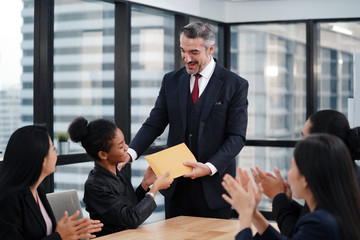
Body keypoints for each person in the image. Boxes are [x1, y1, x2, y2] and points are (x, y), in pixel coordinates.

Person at [126, 21, 249, 219]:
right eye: (183, 51)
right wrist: (130, 153)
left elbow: (236, 137)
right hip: (176, 188)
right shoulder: (171, 81)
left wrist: (209, 167)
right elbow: (154, 123)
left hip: (214, 189)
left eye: (193, 52)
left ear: (210, 49)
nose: (186, 58)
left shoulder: (235, 85)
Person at [222, 134, 360, 240]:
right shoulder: (337, 212)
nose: (288, 174)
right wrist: (252, 212)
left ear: (306, 179)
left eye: (292, 167)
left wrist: (245, 214)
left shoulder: (320, 223)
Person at [250, 109, 360, 237]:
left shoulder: (336, 186)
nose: (300, 145)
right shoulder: (346, 175)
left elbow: (297, 233)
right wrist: (285, 201)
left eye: (304, 138)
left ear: (319, 144)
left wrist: (278, 197)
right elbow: (309, 221)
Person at [68, 117, 173, 237]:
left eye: (124, 143)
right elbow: (130, 219)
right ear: (103, 154)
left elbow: (131, 208)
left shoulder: (117, 171)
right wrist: (155, 189)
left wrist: (145, 184)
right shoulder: (95, 185)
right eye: (121, 146)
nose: (127, 148)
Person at [0, 125, 103, 240]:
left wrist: (73, 231)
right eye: (53, 149)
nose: (56, 155)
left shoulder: (37, 189)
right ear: (43, 160)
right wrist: (59, 236)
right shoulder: (8, 199)